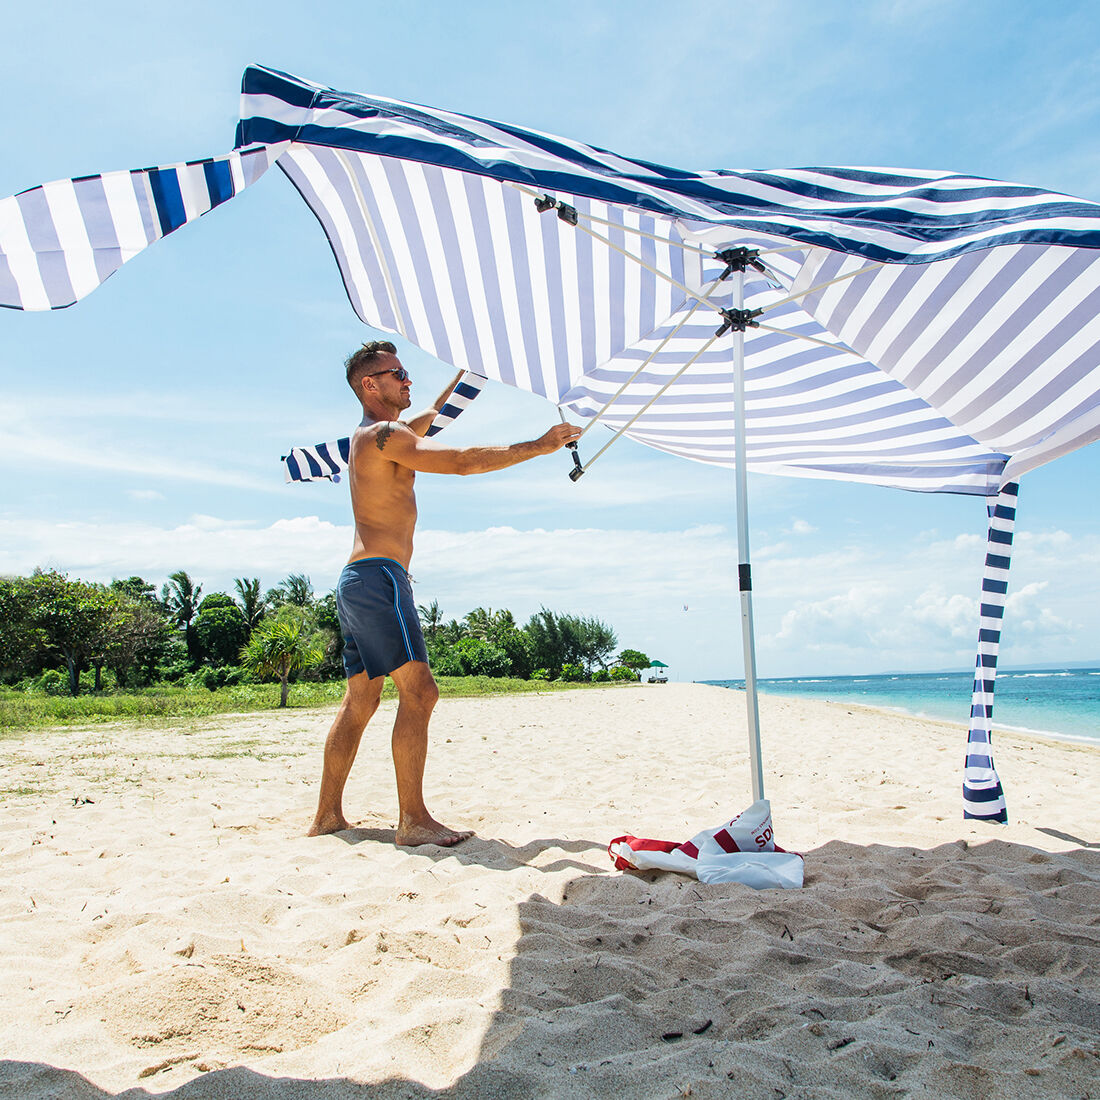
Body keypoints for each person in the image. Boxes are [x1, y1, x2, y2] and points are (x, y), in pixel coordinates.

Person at [308, 341, 581, 846]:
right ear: (370, 385)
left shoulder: (381, 435)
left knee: (361, 701)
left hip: (357, 580)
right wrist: (538, 446)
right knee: (421, 692)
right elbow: (458, 462)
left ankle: (327, 817)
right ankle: (413, 821)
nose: (407, 381)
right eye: (398, 374)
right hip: (381, 578)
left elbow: (435, 414)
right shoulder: (385, 434)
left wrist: (471, 371)